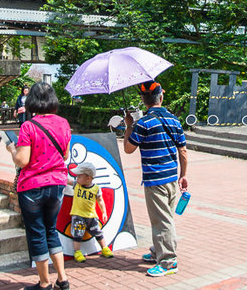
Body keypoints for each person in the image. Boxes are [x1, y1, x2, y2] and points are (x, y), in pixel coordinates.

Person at [4, 82, 71, 290]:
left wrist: (12, 150)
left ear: (32, 100)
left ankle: (44, 283)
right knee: (51, 230)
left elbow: (22, 160)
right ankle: (63, 279)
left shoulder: (29, 126)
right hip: (57, 184)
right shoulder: (63, 123)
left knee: (37, 233)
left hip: (32, 187)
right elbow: (65, 155)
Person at [123, 80, 188, 278]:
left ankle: (168, 261)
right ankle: (157, 251)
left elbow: (128, 148)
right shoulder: (175, 120)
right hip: (171, 178)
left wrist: (129, 126)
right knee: (164, 217)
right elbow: (183, 151)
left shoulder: (143, 123)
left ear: (144, 100)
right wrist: (183, 175)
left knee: (161, 220)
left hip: (155, 179)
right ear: (161, 97)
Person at [67, 161, 113, 262]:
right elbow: (67, 180)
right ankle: (77, 251)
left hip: (91, 216)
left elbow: (100, 200)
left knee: (98, 232)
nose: (77, 178)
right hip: (78, 215)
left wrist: (104, 212)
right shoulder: (76, 184)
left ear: (88, 178)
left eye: (79, 176)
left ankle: (104, 248)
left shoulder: (96, 188)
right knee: (77, 234)